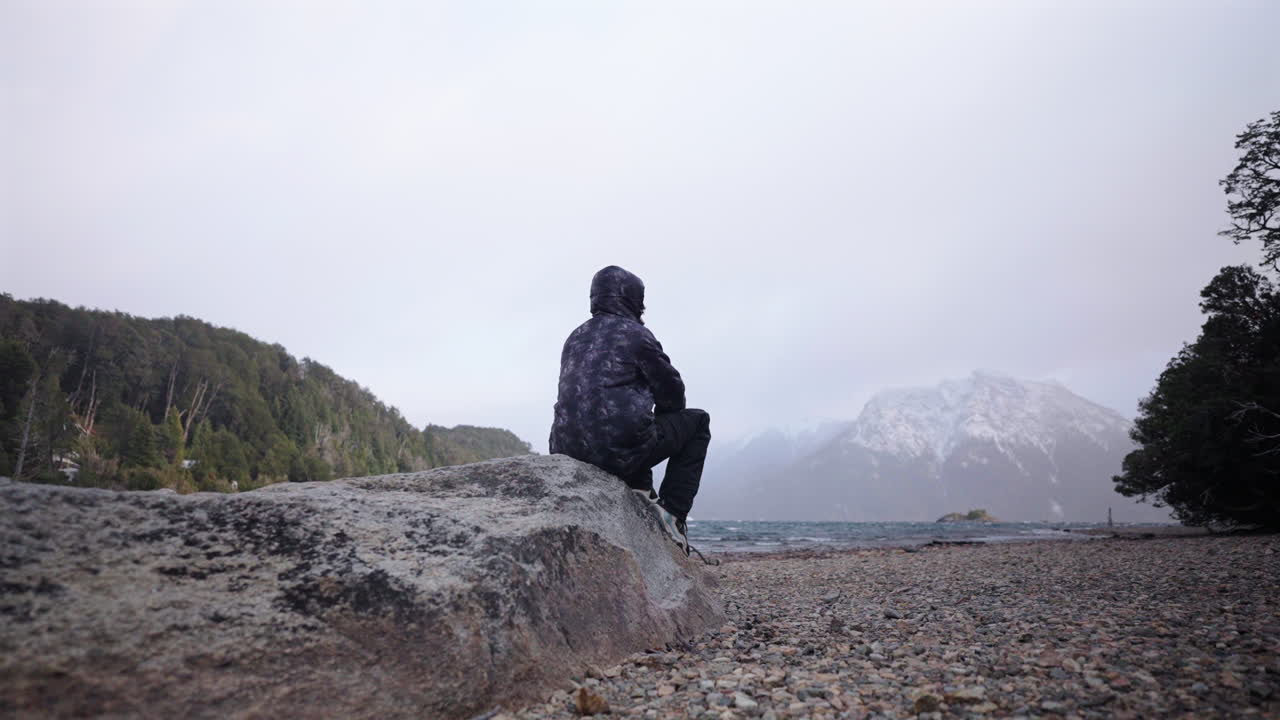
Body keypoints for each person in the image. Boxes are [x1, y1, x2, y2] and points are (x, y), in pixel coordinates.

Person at [549, 265, 711, 554]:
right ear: (633, 300)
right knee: (697, 422)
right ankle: (672, 514)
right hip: (618, 452)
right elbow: (674, 395)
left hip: (566, 451)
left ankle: (639, 488)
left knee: (629, 424)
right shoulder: (636, 335)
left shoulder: (574, 338)